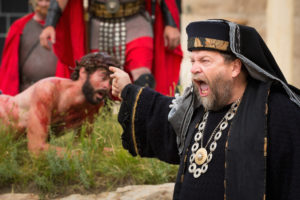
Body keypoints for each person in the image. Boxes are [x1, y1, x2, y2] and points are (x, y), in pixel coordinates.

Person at [109, 19, 300, 200]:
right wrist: (128, 90)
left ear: (235, 67)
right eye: (192, 61)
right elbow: (164, 117)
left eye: (205, 61)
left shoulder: (278, 112)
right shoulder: (197, 107)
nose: (194, 69)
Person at [39, 0, 183, 95]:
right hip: (98, 23)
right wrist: (50, 24)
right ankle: (101, 130)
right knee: (98, 79)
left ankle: (141, 125)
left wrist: (170, 23)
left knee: (143, 77)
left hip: (136, 22)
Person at [0, 52, 119, 156]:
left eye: (111, 81)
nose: (107, 86)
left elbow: (83, 144)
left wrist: (117, 153)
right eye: (103, 77)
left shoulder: (94, 105)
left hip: (9, 148)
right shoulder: (49, 90)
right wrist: (87, 156)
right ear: (83, 72)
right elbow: (36, 150)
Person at [0, 0, 71, 96]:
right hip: (26, 95)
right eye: (40, 0)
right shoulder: (19, 27)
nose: (43, 4)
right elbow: (9, 71)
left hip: (57, 95)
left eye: (48, 1)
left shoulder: (67, 29)